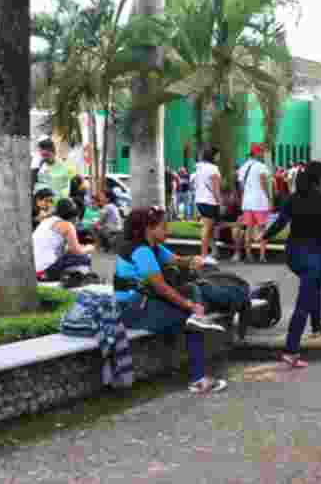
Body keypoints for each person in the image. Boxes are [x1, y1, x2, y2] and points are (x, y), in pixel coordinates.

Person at [112, 206, 227, 394]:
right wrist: (189, 305)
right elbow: (161, 287)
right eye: (163, 226)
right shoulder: (141, 250)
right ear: (149, 228)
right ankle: (198, 380)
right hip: (133, 310)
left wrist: (193, 260)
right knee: (192, 322)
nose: (168, 230)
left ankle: (196, 323)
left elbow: (176, 260)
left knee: (191, 291)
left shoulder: (153, 247)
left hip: (145, 303)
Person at [264, 162, 321, 367]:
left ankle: (316, 327)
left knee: (313, 287)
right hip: (315, 256)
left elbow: (280, 222)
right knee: (305, 300)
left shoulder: (293, 198)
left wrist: (264, 236)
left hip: (293, 254)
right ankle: (291, 351)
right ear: (320, 179)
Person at [32, 198, 94, 282]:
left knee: (73, 256)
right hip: (44, 271)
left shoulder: (46, 221)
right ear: (75, 215)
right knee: (84, 258)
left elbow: (63, 250)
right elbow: (77, 251)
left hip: (32, 270)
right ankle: (74, 281)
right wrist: (89, 248)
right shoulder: (67, 225)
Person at [238, 143, 272, 263]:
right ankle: (262, 256)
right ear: (256, 153)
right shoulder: (260, 166)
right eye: (261, 152)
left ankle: (248, 255)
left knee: (248, 229)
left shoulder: (243, 167)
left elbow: (241, 187)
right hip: (260, 202)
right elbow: (264, 185)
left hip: (247, 203)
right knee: (263, 229)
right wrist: (269, 199)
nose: (262, 154)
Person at [193, 148, 222, 261]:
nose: (219, 157)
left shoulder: (199, 168)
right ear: (213, 156)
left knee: (208, 228)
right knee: (207, 228)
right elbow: (216, 189)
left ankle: (211, 252)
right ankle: (204, 255)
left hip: (199, 200)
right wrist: (219, 201)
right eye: (218, 155)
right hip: (209, 201)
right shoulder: (213, 169)